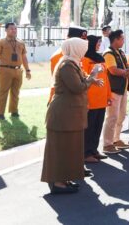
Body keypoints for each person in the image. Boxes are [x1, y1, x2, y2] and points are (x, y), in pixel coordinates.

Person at [41, 37, 104, 194]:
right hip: (63, 113)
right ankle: (58, 182)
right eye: (82, 48)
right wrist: (93, 75)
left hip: (70, 113)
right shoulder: (67, 65)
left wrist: (92, 79)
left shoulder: (73, 63)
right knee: (60, 148)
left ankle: (65, 178)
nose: (84, 51)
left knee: (69, 147)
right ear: (75, 49)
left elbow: (82, 82)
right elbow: (77, 87)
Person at [102, 30, 129, 153]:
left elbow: (126, 66)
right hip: (114, 90)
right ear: (115, 40)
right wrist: (128, 72)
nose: (123, 41)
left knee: (121, 116)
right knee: (112, 117)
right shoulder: (108, 53)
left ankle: (116, 139)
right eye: (122, 39)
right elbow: (113, 70)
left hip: (122, 89)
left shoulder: (120, 52)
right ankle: (107, 144)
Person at [0, 22, 31, 120]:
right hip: (5, 70)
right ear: (6, 30)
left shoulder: (20, 42)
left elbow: (24, 57)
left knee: (15, 92)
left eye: (15, 28)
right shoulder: (0, 42)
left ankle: (14, 111)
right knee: (3, 92)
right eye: (11, 29)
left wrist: (27, 70)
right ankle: (0, 113)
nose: (14, 30)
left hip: (18, 71)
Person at [82, 35, 111, 163]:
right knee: (89, 128)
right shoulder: (85, 59)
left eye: (100, 42)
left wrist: (108, 96)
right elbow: (85, 78)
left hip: (101, 99)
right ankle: (86, 153)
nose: (99, 44)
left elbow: (106, 79)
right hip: (91, 100)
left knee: (98, 126)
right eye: (97, 42)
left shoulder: (100, 58)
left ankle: (94, 150)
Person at [48, 26, 88, 105]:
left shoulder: (76, 54)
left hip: (76, 98)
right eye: (79, 40)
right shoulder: (60, 56)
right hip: (64, 100)